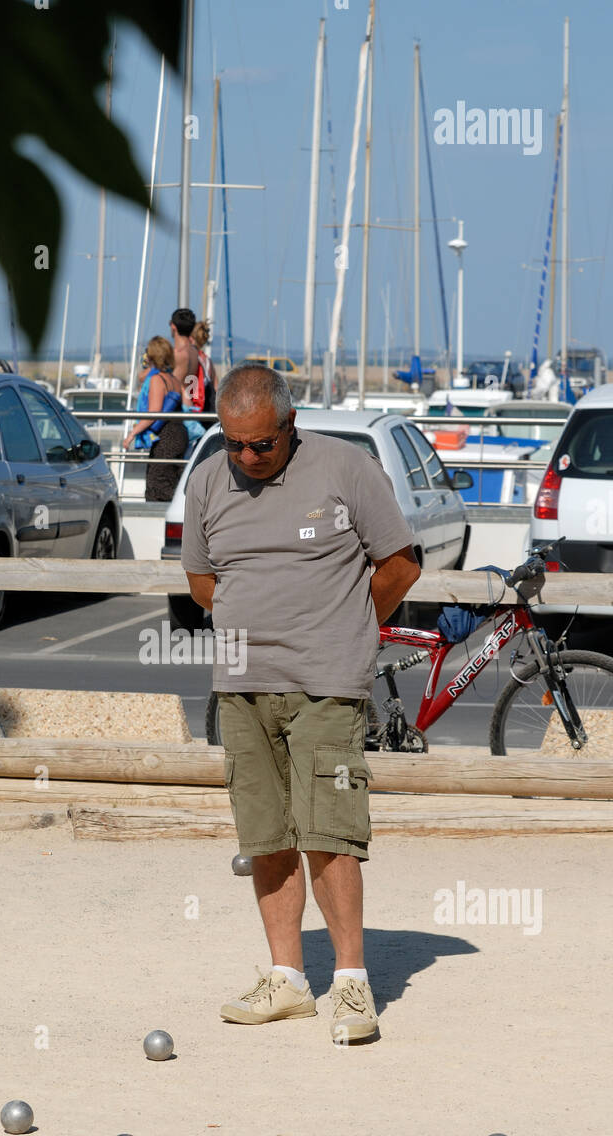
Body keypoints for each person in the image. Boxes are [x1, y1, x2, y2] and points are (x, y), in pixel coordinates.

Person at [180, 362, 420, 1045]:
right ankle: (286, 979)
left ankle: (350, 982)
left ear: (290, 424)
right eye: (234, 444)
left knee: (330, 832)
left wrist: (347, 627)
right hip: (240, 682)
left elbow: (400, 563)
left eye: (261, 443)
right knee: (266, 835)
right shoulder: (205, 482)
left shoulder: (345, 470)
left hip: (328, 684)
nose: (248, 457)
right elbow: (201, 582)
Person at [121, 337, 184, 453]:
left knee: (157, 471)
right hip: (179, 435)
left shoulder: (157, 379)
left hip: (165, 437)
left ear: (152, 356)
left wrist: (132, 434)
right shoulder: (174, 379)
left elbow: (153, 413)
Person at [192, 320, 217, 413]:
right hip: (208, 406)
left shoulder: (193, 358)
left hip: (196, 406)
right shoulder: (208, 360)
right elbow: (216, 387)